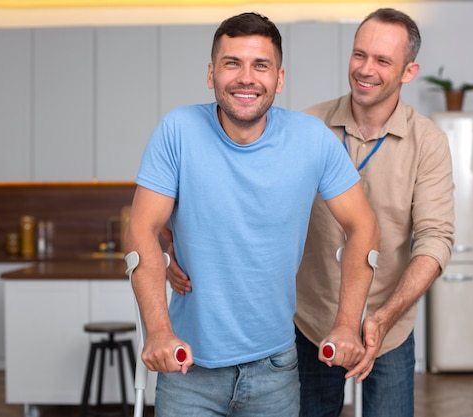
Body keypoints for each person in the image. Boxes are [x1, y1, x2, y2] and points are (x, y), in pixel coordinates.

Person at [125, 12, 380, 417]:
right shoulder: (177, 130)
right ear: (211, 74)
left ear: (279, 79)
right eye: (232, 63)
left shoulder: (311, 140)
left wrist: (348, 323)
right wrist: (158, 333)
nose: (246, 77)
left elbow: (363, 226)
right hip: (187, 365)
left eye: (260, 65)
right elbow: (141, 228)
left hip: (274, 369)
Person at [294, 8, 455, 417]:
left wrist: (382, 319)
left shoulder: (429, 143)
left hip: (387, 329)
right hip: (310, 323)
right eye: (359, 55)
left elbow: (435, 240)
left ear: (408, 71)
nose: (365, 70)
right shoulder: (307, 127)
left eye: (383, 60)